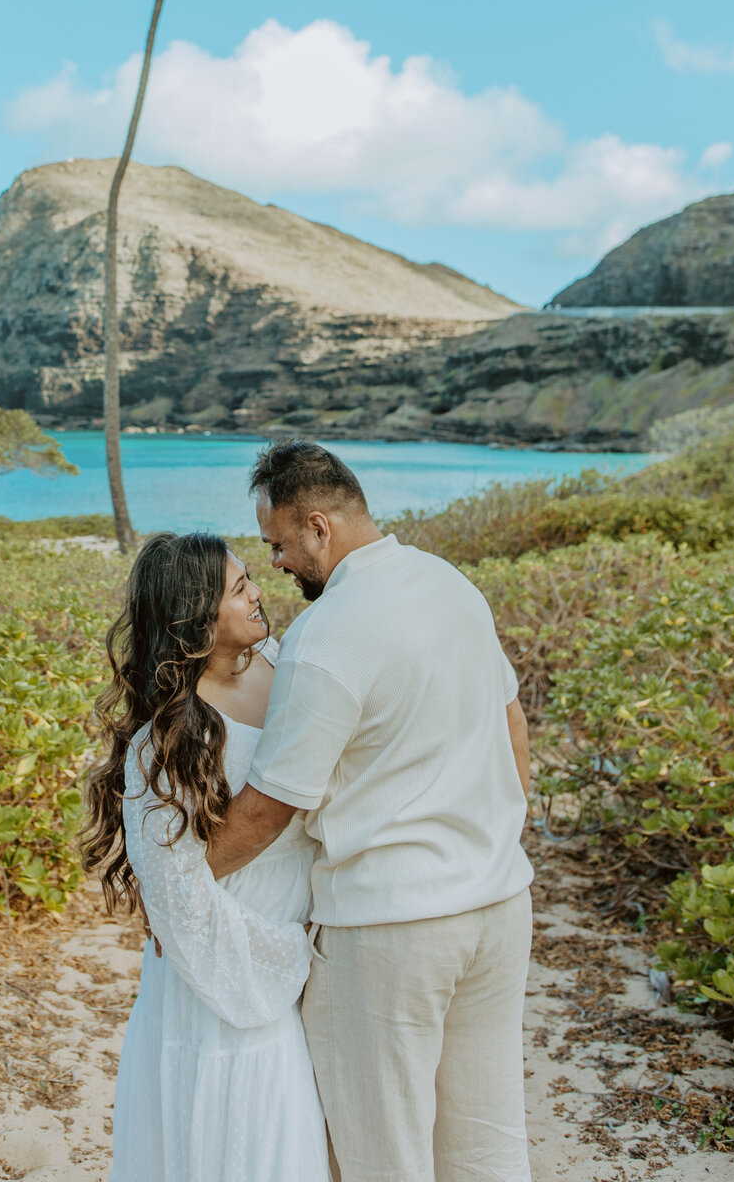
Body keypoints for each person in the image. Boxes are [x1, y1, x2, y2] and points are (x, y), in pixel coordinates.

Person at [208, 439, 534, 1182]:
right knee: (485, 1138)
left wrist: (185, 880)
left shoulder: (328, 634)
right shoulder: (453, 585)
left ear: (319, 527)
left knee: (378, 1148)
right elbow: (512, 724)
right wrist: (495, 841)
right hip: (498, 904)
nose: (280, 566)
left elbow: (271, 805)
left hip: (390, 929)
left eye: (280, 545)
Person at [83, 530, 330, 1182]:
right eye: (239, 589)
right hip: (229, 960)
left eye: (251, 578)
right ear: (196, 616)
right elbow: (177, 897)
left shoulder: (281, 659)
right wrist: (292, 949)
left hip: (299, 916)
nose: (258, 594)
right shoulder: (165, 740)